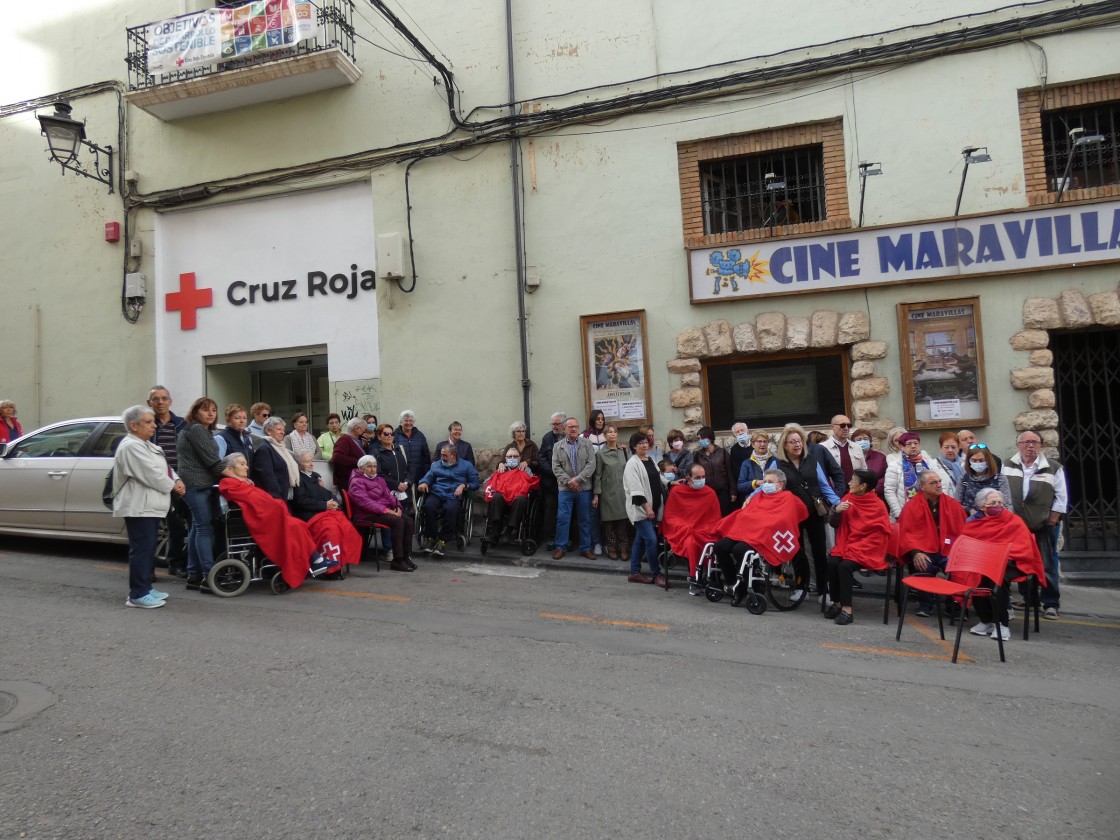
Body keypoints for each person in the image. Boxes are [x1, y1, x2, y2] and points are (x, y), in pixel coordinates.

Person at [219, 454, 347, 586]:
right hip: (258, 520)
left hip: (266, 516)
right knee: (295, 526)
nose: (246, 467)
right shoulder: (229, 483)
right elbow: (256, 502)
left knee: (298, 525)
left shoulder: (242, 482)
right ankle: (316, 562)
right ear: (230, 468)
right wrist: (277, 505)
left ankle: (316, 561)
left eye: (246, 463)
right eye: (242, 464)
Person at [113, 405, 186, 609]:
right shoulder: (131, 446)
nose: (154, 425)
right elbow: (152, 474)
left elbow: (165, 467)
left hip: (150, 505)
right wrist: (174, 486)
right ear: (133, 426)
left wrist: (177, 479)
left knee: (148, 548)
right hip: (139, 506)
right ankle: (137, 593)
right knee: (142, 549)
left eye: (153, 421)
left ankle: (145, 587)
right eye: (148, 422)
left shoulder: (146, 445)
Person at [767, 423, 841, 604]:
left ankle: (824, 591)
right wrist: (751, 497)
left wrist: (838, 503)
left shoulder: (812, 460)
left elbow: (824, 485)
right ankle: (801, 587)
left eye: (799, 441)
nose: (797, 445)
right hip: (791, 514)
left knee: (819, 551)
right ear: (785, 445)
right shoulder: (777, 463)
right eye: (792, 442)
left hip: (814, 511)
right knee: (797, 552)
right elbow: (768, 486)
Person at [712, 468, 808, 607]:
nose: (766, 484)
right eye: (765, 481)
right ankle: (735, 585)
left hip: (764, 536)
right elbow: (748, 514)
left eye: (770, 482)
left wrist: (763, 525)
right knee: (720, 547)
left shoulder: (789, 498)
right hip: (744, 532)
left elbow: (785, 520)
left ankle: (755, 588)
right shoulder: (758, 496)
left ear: (780, 484)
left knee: (740, 550)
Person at [962, 487, 1048, 641]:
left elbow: (1024, 547)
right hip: (986, 562)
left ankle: (1002, 624)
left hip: (1014, 563)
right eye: (992, 502)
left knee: (998, 578)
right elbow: (968, 544)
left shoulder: (1014, 520)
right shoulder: (974, 523)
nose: (997, 505)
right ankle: (986, 620)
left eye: (1000, 502)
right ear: (982, 506)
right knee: (975, 574)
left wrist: (1004, 556)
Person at [177, 397, 240, 593]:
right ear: (196, 412)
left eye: (213, 410)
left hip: (201, 484)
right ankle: (208, 575)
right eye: (206, 410)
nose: (211, 413)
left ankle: (194, 574)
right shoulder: (195, 429)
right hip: (195, 484)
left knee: (198, 527)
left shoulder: (203, 431)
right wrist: (239, 479)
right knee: (204, 528)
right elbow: (214, 462)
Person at [1002, 431, 1067, 620]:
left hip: (1044, 524)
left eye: (1034, 442)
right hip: (1017, 525)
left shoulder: (1053, 468)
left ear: (1041, 446)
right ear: (1018, 445)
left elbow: (1061, 497)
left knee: (1046, 563)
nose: (1030, 446)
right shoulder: (1007, 465)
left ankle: (1051, 603)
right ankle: (1029, 599)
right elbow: (1001, 491)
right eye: (1026, 442)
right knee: (1021, 561)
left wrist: (1051, 521)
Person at [896, 469, 967, 617]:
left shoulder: (953, 505)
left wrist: (957, 553)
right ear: (922, 486)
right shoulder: (911, 506)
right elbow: (906, 533)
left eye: (939, 481)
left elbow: (962, 532)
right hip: (924, 549)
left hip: (949, 549)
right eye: (933, 483)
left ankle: (954, 604)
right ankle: (925, 605)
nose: (939, 485)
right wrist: (916, 552)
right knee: (923, 564)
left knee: (959, 568)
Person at [825, 469, 892, 624]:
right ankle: (837, 603)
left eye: (853, 480)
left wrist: (861, 544)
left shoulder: (878, 505)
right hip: (848, 543)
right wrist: (836, 511)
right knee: (833, 562)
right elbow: (834, 523)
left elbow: (880, 534)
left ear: (863, 486)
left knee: (844, 567)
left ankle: (847, 610)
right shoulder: (848, 498)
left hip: (869, 547)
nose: (849, 483)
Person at [146, 386, 188, 578]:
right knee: (150, 527)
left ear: (170, 401)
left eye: (164, 398)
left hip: (178, 481)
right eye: (156, 399)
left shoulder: (181, 425)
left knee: (177, 526)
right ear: (150, 403)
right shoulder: (145, 425)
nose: (160, 402)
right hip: (153, 481)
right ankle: (148, 568)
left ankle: (175, 563)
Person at [660, 463, 721, 594]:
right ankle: (694, 579)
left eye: (703, 477)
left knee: (709, 543)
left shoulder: (710, 493)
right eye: (697, 477)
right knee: (691, 543)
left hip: (705, 529)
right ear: (688, 479)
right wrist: (685, 527)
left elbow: (715, 519)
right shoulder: (677, 491)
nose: (701, 480)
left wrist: (705, 528)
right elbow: (671, 516)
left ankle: (709, 577)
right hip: (684, 530)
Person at [349, 455, 416, 572]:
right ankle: (398, 560)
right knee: (398, 521)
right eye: (369, 466)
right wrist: (387, 510)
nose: (373, 469)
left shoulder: (379, 479)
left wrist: (397, 507)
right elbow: (365, 503)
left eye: (374, 466)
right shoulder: (356, 482)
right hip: (366, 514)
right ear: (361, 468)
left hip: (383, 511)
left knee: (409, 521)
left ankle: (406, 557)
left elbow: (389, 495)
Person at [417, 443, 479, 558]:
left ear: (453, 455)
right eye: (441, 455)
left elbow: (475, 483)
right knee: (428, 506)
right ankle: (430, 537)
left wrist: (464, 485)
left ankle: (442, 540)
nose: (442, 458)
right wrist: (423, 482)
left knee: (451, 509)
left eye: (445, 455)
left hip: (454, 495)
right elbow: (428, 477)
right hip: (437, 493)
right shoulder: (436, 465)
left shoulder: (466, 466)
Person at [623, 430, 665, 586]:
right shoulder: (632, 464)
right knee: (651, 540)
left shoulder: (650, 460)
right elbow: (636, 491)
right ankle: (656, 574)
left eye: (646, 442)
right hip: (641, 510)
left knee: (640, 540)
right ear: (634, 446)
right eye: (641, 443)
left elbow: (658, 478)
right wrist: (647, 509)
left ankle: (634, 572)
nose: (645, 445)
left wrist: (671, 482)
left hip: (652, 507)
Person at [552, 417, 597, 560]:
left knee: (585, 519)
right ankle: (560, 547)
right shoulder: (557, 446)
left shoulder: (587, 444)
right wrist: (569, 481)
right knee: (563, 518)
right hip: (565, 489)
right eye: (570, 427)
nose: (573, 429)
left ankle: (586, 548)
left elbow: (591, 464)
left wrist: (577, 480)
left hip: (584, 488)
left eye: (576, 427)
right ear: (564, 429)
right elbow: (556, 467)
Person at [883, 431, 951, 520]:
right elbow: (889, 491)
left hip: (931, 509)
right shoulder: (895, 466)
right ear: (901, 447)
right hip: (906, 512)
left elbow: (941, 484)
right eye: (909, 444)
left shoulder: (929, 463)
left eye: (916, 443)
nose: (913, 446)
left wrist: (943, 506)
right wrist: (899, 514)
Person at [483, 447, 539, 544]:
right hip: (502, 502)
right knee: (496, 496)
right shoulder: (501, 469)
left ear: (520, 458)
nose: (512, 458)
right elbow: (487, 483)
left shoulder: (526, 470)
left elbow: (531, 484)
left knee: (522, 499)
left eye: (515, 456)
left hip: (517, 502)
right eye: (510, 456)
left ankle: (510, 530)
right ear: (505, 458)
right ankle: (495, 531)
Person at [592, 423, 630, 561]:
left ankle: (624, 548)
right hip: (608, 492)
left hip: (622, 491)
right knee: (609, 523)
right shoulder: (601, 454)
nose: (612, 434)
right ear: (605, 435)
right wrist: (596, 494)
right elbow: (597, 475)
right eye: (609, 432)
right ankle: (612, 548)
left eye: (614, 432)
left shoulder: (624, 451)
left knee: (622, 522)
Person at [252, 416, 300, 502]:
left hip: (288, 495)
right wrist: (277, 498)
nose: (282, 432)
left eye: (283, 430)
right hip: (277, 497)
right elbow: (267, 477)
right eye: (279, 429)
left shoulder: (282, 448)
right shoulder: (264, 449)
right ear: (268, 431)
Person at [537, 412, 566, 549]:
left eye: (556, 424)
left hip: (567, 483)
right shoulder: (547, 438)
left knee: (566, 512)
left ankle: (566, 538)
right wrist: (554, 472)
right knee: (551, 511)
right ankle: (551, 538)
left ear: (563, 424)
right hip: (551, 483)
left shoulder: (570, 437)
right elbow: (541, 458)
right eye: (552, 424)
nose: (554, 427)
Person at [959, 443, 1012, 515]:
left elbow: (1007, 505)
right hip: (971, 521)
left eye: (981, 460)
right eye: (974, 460)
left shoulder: (1000, 479)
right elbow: (957, 504)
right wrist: (969, 510)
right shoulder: (964, 479)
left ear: (988, 460)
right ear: (968, 461)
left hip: (995, 521)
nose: (977, 463)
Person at [582, 410, 608, 554]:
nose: (600, 421)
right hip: (590, 479)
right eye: (598, 419)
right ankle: (596, 542)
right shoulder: (584, 436)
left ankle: (607, 542)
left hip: (606, 478)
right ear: (592, 420)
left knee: (607, 513)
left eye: (602, 419)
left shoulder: (607, 434)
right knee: (593, 513)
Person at [694, 425, 733, 515]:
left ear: (710, 438)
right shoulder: (698, 455)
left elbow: (730, 472)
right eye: (698, 439)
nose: (700, 441)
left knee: (724, 515)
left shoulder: (722, 452)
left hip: (723, 491)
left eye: (701, 438)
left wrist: (733, 491)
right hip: (706, 491)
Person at [291, 451, 341, 520]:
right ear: (299, 465)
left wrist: (335, 503)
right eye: (307, 461)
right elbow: (302, 502)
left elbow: (327, 493)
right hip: (311, 515)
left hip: (324, 512)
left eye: (311, 461)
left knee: (345, 524)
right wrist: (325, 505)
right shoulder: (298, 479)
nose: (311, 464)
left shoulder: (314, 477)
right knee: (333, 526)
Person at [821, 414, 868, 486]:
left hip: (855, 491)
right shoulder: (822, 448)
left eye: (849, 425)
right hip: (834, 491)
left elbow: (863, 470)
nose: (846, 428)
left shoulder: (856, 447)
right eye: (842, 425)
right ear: (833, 427)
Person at [330, 417, 368, 494]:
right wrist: (359, 462)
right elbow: (337, 458)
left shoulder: (356, 440)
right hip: (347, 481)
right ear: (357, 429)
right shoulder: (344, 440)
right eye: (364, 429)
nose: (365, 431)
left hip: (356, 481)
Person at [395, 410, 431, 487]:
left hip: (419, 473)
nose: (408, 423)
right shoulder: (395, 435)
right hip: (402, 474)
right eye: (406, 420)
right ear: (401, 422)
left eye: (411, 420)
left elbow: (426, 456)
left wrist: (427, 473)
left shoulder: (420, 435)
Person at [215, 403, 255, 467]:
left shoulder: (248, 438)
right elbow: (217, 465)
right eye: (237, 418)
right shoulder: (220, 438)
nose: (242, 421)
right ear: (228, 420)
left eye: (244, 418)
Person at [851, 427, 887, 499]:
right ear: (853, 443)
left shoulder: (880, 457)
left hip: (876, 495)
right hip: (855, 495)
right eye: (859, 439)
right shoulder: (849, 457)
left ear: (870, 441)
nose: (862, 441)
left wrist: (873, 489)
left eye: (865, 439)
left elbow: (885, 476)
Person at [736, 431, 772, 497]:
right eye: (759, 441)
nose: (762, 444)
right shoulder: (746, 463)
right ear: (753, 444)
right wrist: (755, 483)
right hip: (753, 499)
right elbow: (740, 486)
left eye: (765, 441)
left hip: (772, 499)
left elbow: (781, 481)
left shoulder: (774, 461)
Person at [727, 422, 752, 505]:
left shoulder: (755, 444)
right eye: (737, 432)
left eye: (742, 430)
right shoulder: (734, 450)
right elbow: (737, 470)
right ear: (734, 435)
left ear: (747, 431)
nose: (740, 433)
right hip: (745, 484)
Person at [936, 431, 963, 497]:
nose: (950, 450)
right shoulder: (933, 465)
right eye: (946, 447)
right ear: (941, 448)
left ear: (959, 447)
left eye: (953, 447)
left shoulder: (965, 464)